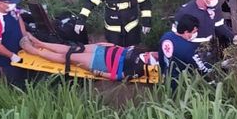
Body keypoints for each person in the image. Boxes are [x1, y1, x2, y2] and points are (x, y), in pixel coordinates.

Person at [19, 34, 158, 81]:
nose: (151, 54)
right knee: (72, 49)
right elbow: (124, 49)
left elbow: (119, 76)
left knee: (68, 56)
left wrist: (99, 73)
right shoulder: (142, 50)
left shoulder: (140, 69)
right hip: (104, 50)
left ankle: (33, 51)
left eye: (153, 56)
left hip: (101, 63)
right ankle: (40, 43)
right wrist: (107, 44)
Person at [173, 0, 237, 45]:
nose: (215, 1)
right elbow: (177, 34)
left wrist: (233, 36)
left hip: (209, 44)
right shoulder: (185, 11)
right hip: (191, 45)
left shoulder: (215, 8)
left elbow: (219, 26)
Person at [159, 14, 213, 89]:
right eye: (194, 32)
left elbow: (161, 58)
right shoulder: (187, 48)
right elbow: (200, 68)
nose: (195, 34)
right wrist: (213, 70)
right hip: (181, 84)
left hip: (167, 78)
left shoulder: (166, 36)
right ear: (186, 32)